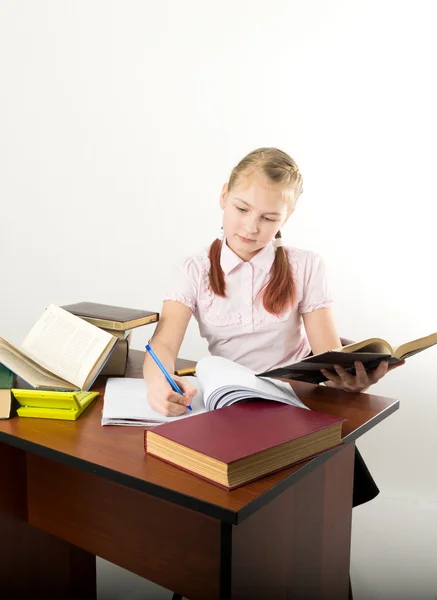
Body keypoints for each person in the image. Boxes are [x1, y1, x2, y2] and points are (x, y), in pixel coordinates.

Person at [143, 147, 404, 506]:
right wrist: (159, 383)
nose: (251, 227)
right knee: (225, 494)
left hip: (293, 400)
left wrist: (352, 380)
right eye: (241, 209)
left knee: (304, 503)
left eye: (268, 217)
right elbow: (163, 344)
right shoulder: (194, 269)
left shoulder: (306, 266)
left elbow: (327, 353)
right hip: (228, 402)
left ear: (288, 215)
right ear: (223, 196)